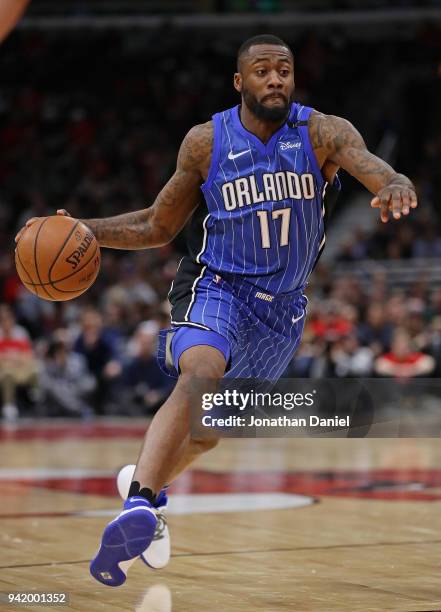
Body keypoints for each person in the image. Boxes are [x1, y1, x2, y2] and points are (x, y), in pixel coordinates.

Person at [16, 34, 418, 586]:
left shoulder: (323, 131)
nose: (275, 79)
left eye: (284, 70)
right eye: (262, 71)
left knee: (208, 431)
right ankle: (137, 503)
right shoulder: (206, 143)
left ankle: (149, 495)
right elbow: (158, 225)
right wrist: (90, 230)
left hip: (283, 314)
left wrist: (394, 183)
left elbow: (372, 167)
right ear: (240, 82)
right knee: (200, 373)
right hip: (218, 286)